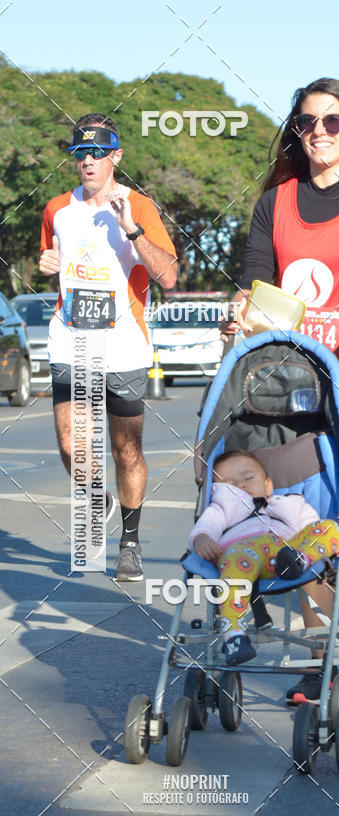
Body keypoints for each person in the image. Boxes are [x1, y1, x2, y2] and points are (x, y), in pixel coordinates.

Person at [222, 76, 339, 700]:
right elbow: (253, 281)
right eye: (307, 122)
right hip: (292, 382)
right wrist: (237, 312)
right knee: (308, 509)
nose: (320, 133)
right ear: (296, 132)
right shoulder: (275, 202)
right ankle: (316, 656)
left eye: (334, 121)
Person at [39, 114, 178, 579]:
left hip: (123, 345)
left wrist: (131, 229)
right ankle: (97, 498)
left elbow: (169, 275)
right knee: (69, 444)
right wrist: (46, 261)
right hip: (70, 337)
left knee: (126, 451)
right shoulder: (57, 208)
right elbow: (49, 258)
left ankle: (131, 541)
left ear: (116, 156)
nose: (89, 162)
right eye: (81, 154)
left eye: (98, 153)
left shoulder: (139, 206)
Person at [189, 451, 339, 666]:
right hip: (243, 555)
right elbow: (206, 526)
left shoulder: (290, 504)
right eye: (230, 484)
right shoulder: (222, 508)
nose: (241, 486)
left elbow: (313, 526)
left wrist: (331, 543)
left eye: (248, 478)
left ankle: (302, 558)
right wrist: (202, 539)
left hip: (286, 552)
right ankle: (233, 632)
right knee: (235, 559)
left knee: (328, 527)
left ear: (268, 485)